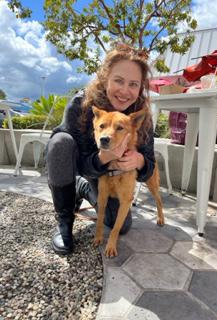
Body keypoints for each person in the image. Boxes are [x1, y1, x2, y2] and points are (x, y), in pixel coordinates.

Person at [46, 43, 156, 255]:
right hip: (85, 168)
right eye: (118, 80)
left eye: (133, 84)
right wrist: (104, 157)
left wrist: (140, 161)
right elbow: (70, 159)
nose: (125, 91)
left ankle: (83, 189)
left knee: (121, 225)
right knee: (60, 142)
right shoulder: (82, 105)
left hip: (113, 176)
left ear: (140, 87)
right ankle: (64, 220)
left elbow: (149, 166)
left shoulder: (141, 116)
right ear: (106, 78)